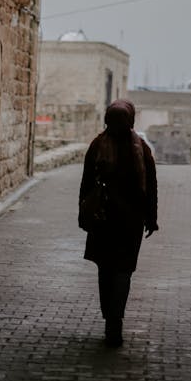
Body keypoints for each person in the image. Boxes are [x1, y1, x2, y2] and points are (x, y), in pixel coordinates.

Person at [78, 99, 158, 347]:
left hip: (103, 219)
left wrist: (84, 213)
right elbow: (151, 187)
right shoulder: (141, 148)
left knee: (105, 269)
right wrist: (151, 218)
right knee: (123, 271)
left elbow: (86, 184)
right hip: (130, 222)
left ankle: (109, 318)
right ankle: (116, 320)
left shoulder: (98, 145)